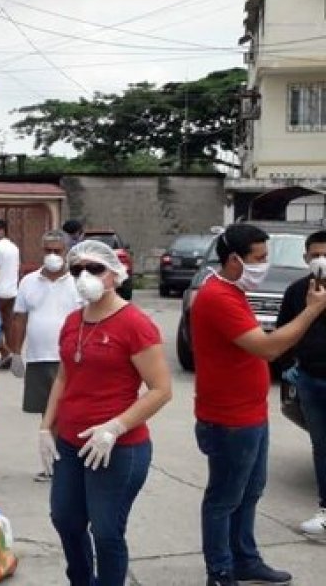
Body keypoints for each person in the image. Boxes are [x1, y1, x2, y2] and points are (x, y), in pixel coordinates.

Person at [192, 224, 326, 586]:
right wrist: (312, 311)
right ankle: (220, 571)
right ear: (234, 259)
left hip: (249, 412)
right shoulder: (217, 296)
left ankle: (245, 559)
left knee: (249, 492)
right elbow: (268, 347)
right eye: (259, 258)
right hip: (228, 418)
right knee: (224, 498)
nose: (264, 265)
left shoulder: (234, 291)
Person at [39, 240, 171, 586]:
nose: (85, 276)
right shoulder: (73, 321)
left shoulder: (134, 323)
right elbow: (65, 375)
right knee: (65, 519)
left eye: (94, 269)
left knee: (107, 530)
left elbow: (161, 390)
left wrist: (115, 427)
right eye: (77, 269)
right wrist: (45, 427)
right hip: (71, 442)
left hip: (118, 447)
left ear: (115, 274)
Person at [7, 230, 82, 482]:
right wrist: (16, 352)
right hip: (39, 358)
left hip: (71, 359)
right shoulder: (28, 281)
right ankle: (52, 465)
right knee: (47, 414)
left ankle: (71, 464)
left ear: (66, 252)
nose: (52, 256)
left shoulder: (78, 282)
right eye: (47, 251)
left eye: (57, 251)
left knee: (70, 412)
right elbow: (19, 318)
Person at [277, 230, 326, 538]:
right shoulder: (297, 291)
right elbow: (284, 333)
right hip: (310, 380)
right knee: (321, 447)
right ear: (306, 258)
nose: (321, 260)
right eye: (315, 254)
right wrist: (290, 368)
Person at [0, 219, 21, 369]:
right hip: (12, 292)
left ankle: (5, 352)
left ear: (1, 230)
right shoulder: (14, 247)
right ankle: (12, 356)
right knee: (8, 325)